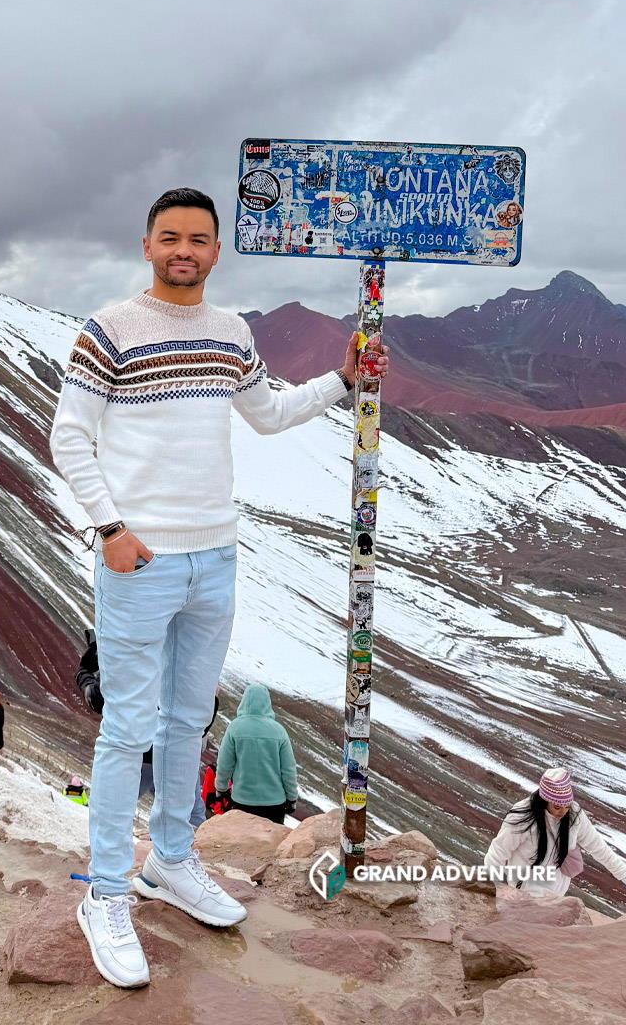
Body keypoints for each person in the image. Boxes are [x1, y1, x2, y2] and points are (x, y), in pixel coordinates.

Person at [50, 186, 388, 989]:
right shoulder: (109, 330)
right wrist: (111, 530)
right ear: (147, 245)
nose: (184, 251)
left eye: (198, 239)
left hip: (215, 555)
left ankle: (170, 860)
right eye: (170, 237)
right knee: (126, 727)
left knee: (187, 721)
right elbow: (69, 435)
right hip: (139, 559)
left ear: (215, 250)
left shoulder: (230, 331)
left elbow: (266, 413)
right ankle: (105, 893)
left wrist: (342, 381)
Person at [78, 632, 215, 827]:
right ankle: (188, 843)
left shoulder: (131, 663)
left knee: (112, 811)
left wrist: (85, 671)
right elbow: (201, 721)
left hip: (139, 752)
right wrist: (212, 701)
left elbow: (96, 698)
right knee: (191, 817)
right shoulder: (185, 663)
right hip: (178, 753)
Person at [483, 768, 626, 900]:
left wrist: (624, 874)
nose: (563, 812)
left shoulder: (574, 815)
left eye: (567, 806)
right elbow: (498, 852)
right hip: (524, 892)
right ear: (544, 800)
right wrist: (499, 888)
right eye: (557, 807)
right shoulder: (522, 816)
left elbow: (597, 846)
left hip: (555, 895)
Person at [212, 685, 298, 824]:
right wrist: (292, 797)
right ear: (267, 703)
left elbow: (224, 763)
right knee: (271, 838)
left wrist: (221, 788)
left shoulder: (235, 728)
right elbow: (288, 769)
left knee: (243, 837)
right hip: (274, 804)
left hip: (242, 801)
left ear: (244, 702)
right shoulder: (279, 730)